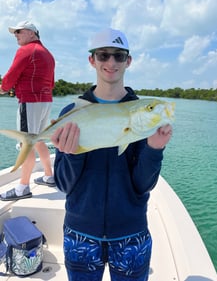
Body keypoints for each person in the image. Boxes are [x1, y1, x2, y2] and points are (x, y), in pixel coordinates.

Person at [50, 27, 173, 281]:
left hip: (131, 235)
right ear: (91, 60)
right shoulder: (71, 112)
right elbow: (63, 184)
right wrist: (73, 154)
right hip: (79, 234)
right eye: (103, 55)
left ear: (128, 61)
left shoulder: (142, 116)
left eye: (118, 56)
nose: (111, 62)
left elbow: (143, 185)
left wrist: (154, 149)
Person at [0, 20, 55, 201]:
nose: (16, 35)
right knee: (38, 140)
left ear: (31, 33)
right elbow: (52, 82)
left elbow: (11, 76)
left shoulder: (26, 50)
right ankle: (49, 176)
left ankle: (23, 188)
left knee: (27, 143)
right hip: (45, 101)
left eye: (19, 32)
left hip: (29, 102)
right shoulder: (48, 54)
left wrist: (3, 88)